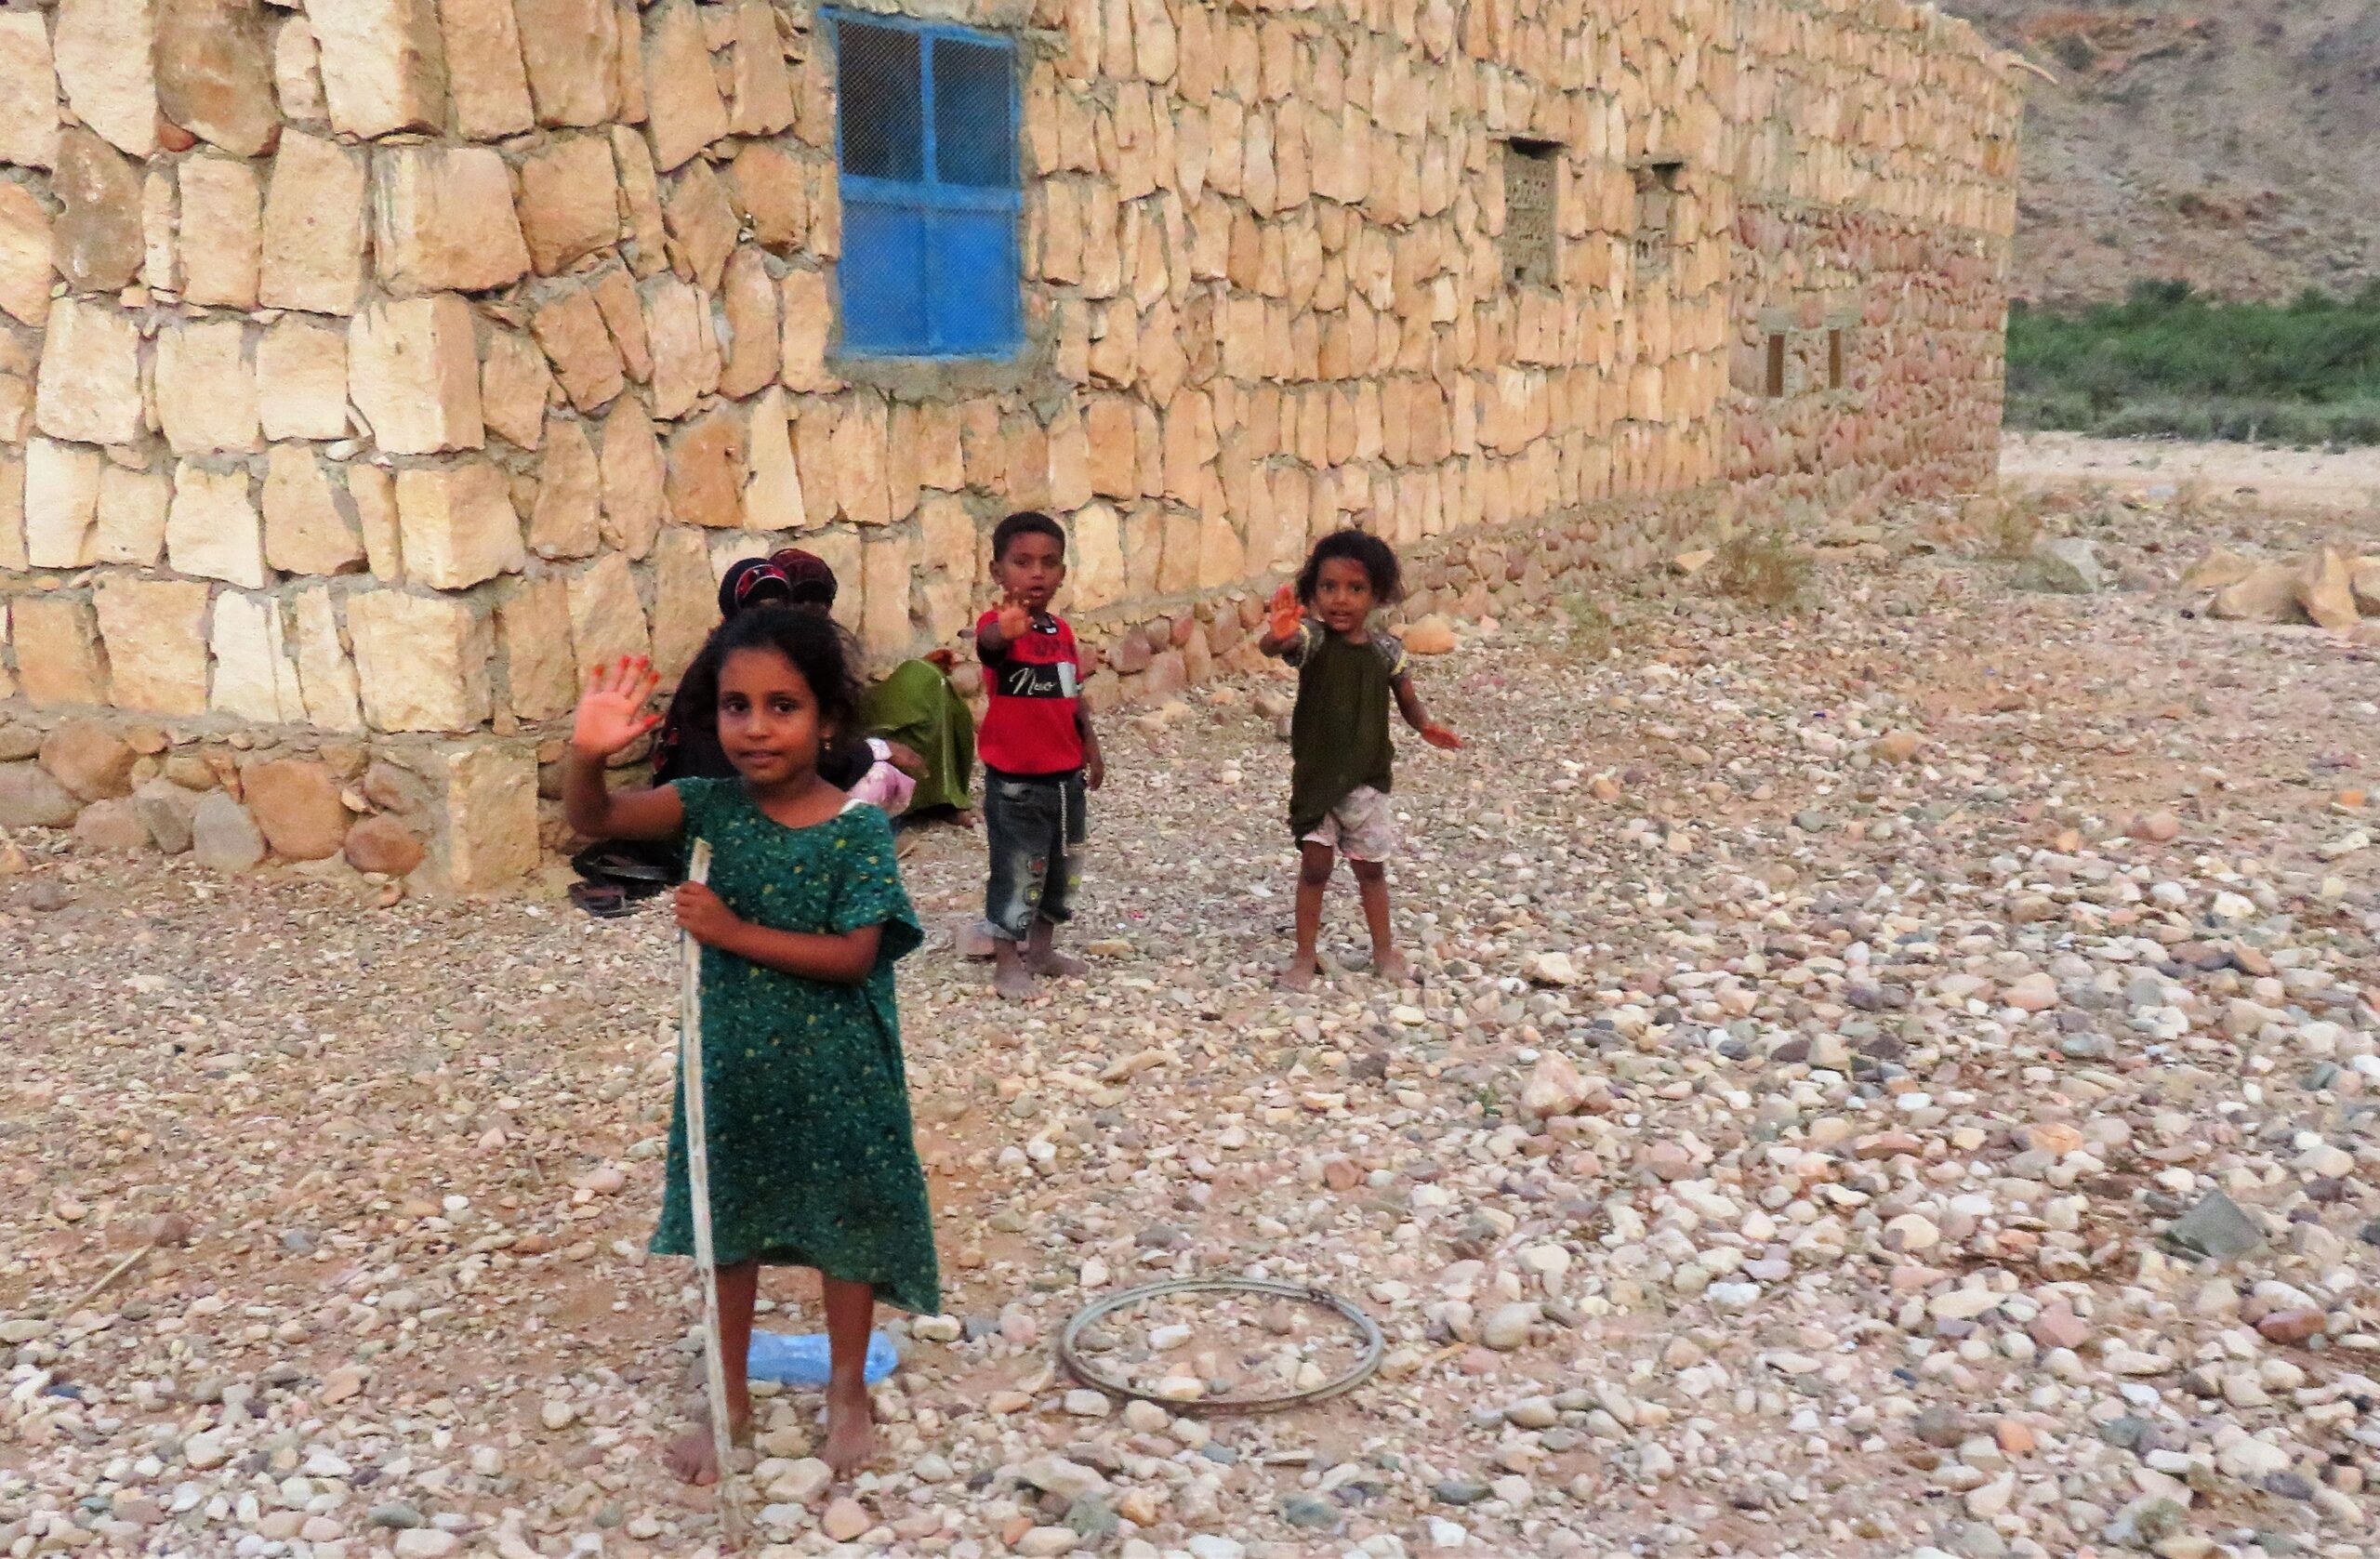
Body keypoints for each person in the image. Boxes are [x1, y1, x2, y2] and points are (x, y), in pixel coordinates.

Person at [562, 615, 939, 1484]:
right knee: (727, 1230)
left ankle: (848, 1389)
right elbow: (596, 815)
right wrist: (585, 754)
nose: (757, 727)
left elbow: (853, 956)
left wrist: (730, 929)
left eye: (783, 705)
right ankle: (727, 1395)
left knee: (845, 1233)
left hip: (842, 1075)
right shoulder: (707, 807)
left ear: (829, 720)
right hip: (731, 1071)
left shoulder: (856, 830)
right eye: (737, 705)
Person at [1260, 529, 1461, 991]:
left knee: (1370, 869)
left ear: (1377, 595)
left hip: (1367, 780)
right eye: (1328, 588)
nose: (1340, 600)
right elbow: (1278, 647)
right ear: (1312, 593)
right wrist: (1277, 636)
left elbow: (1406, 697)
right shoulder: (1310, 640)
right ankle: (1304, 956)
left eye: (1355, 589)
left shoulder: (1386, 651)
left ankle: (1383, 950)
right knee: (1315, 868)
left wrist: (1425, 726)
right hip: (1316, 778)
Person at [975, 511, 1104, 1001]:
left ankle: (1043, 950)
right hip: (1016, 782)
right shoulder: (998, 627)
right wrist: (1003, 634)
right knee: (1018, 867)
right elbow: (988, 648)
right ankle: (1008, 961)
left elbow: (1073, 697)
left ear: (1063, 573)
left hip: (1065, 778)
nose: (1036, 573)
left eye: (1049, 563)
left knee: (1062, 867)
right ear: (998, 571)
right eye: (1022, 562)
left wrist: (1091, 747)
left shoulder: (1063, 633)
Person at [771, 548, 978, 826]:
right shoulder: (764, 658)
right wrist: (878, 749)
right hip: (810, 768)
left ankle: (941, 799)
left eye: (819, 601)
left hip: (845, 741)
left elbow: (849, 704)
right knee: (880, 776)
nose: (813, 610)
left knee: (926, 679)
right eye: (803, 600)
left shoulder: (829, 641)